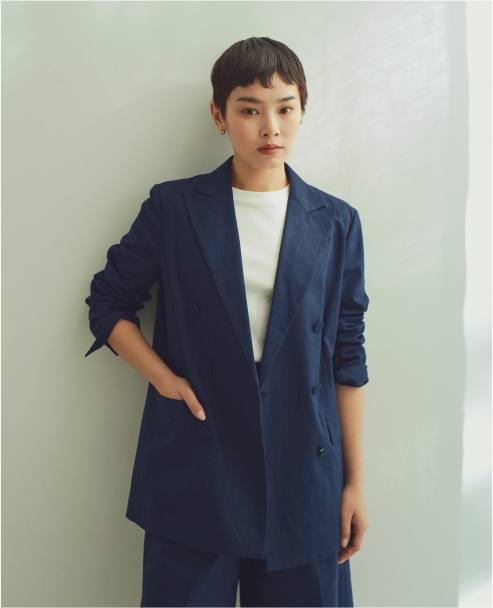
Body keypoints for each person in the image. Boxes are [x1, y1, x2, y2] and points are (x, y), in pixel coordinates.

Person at [85, 36, 369, 607]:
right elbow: (108, 302)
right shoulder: (174, 208)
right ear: (219, 116)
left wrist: (355, 482)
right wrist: (165, 380)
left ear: (303, 111)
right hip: (198, 461)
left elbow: (348, 355)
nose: (270, 127)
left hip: (303, 471)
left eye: (285, 108)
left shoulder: (336, 222)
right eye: (249, 109)